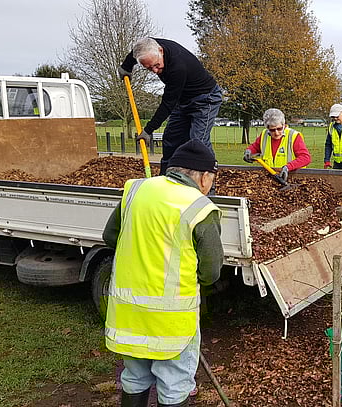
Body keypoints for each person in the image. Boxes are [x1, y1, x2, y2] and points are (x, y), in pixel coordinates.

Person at [102, 139, 224, 407]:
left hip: (129, 315)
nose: (210, 186)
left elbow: (110, 236)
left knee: (134, 376)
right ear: (204, 177)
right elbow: (211, 271)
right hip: (172, 322)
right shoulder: (200, 207)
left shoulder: (136, 190)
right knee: (174, 385)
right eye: (212, 180)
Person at [118, 37, 224, 175]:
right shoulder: (148, 46)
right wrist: (126, 67)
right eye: (149, 68)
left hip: (205, 99)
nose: (155, 70)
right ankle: (166, 177)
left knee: (198, 142)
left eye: (156, 65)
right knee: (171, 138)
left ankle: (207, 181)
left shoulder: (177, 67)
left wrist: (148, 130)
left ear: (161, 51)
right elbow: (135, 52)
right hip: (183, 99)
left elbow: (168, 104)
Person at [242, 108, 311, 180]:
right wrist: (249, 151)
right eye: (272, 130)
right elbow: (255, 147)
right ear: (267, 128)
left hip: (291, 178)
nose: (276, 133)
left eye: (279, 129)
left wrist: (288, 167)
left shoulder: (293, 136)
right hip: (269, 177)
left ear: (283, 125)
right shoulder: (264, 135)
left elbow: (305, 158)